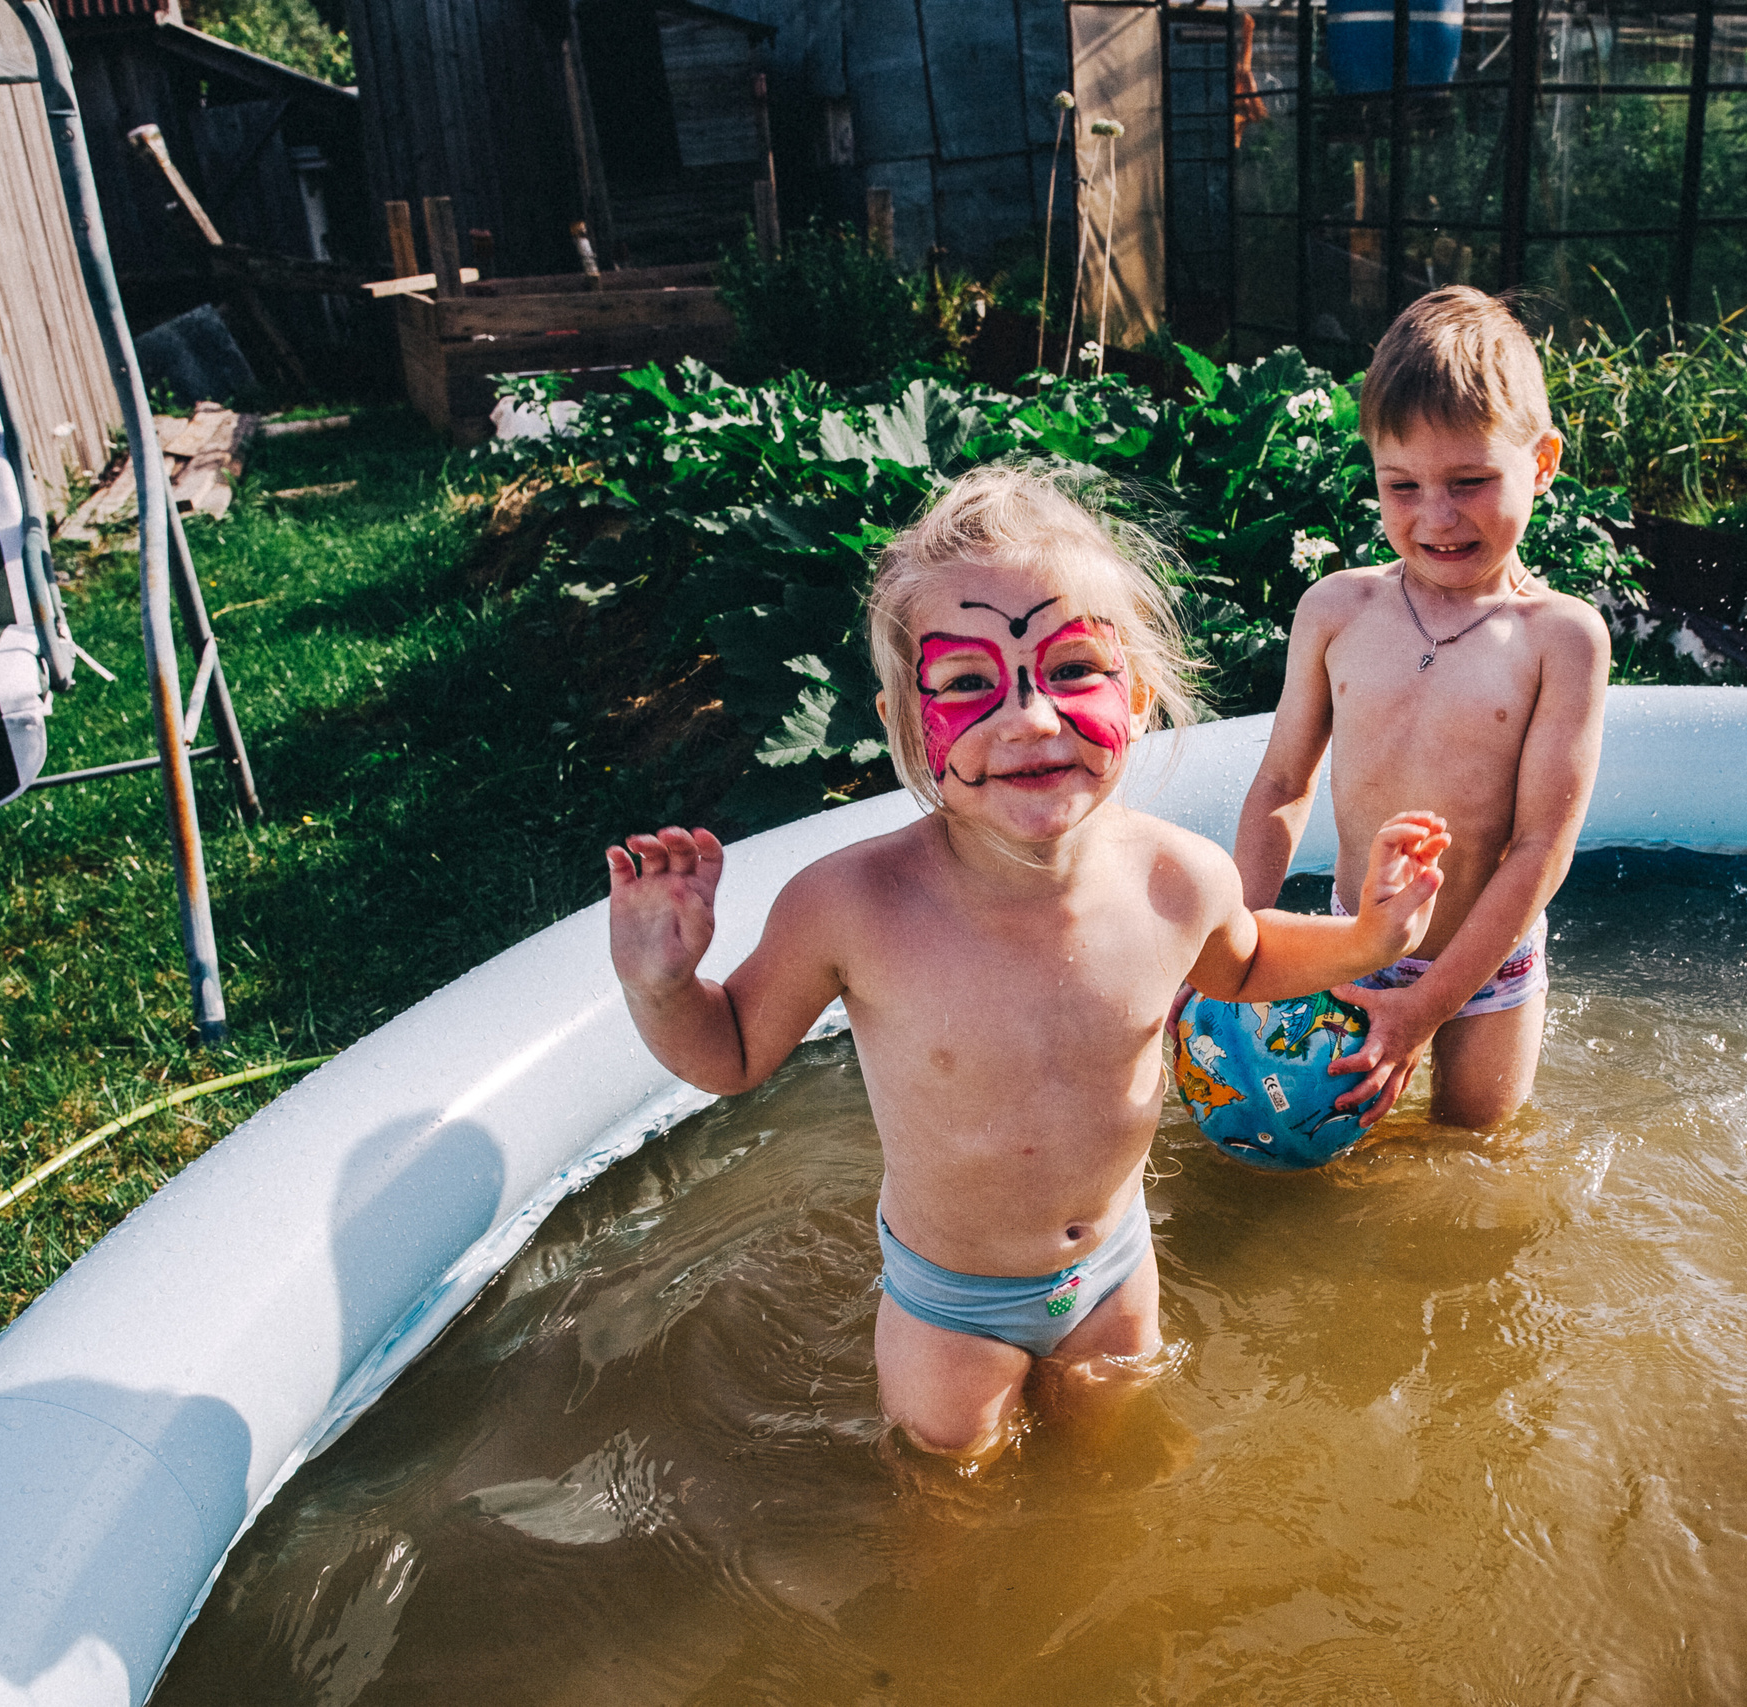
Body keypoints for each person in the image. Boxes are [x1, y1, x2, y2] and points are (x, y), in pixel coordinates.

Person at [606, 466, 1452, 1462]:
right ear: (902, 727)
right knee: (949, 1499)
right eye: (967, 683)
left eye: (1072, 670)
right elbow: (735, 1054)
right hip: (948, 1301)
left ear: (1135, 696)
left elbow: (1246, 961)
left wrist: (1370, 941)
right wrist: (660, 984)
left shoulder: (1176, 878)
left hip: (1114, 1267)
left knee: (1119, 1472)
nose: (1031, 718)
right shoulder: (852, 906)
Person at [1230, 286, 1610, 1131]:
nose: (1435, 516)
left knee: (1474, 1157)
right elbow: (1283, 783)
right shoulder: (1338, 611)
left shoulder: (1561, 639)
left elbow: (1542, 846)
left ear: (1541, 464)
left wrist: (1437, 1000)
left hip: (1486, 965)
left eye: (1470, 481)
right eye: (1401, 485)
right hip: (1353, 943)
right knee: (1320, 1161)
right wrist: (1239, 942)